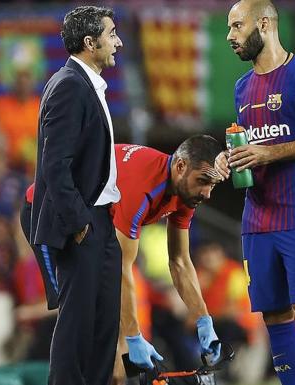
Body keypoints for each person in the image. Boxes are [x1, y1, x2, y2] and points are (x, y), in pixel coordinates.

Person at [221, 1, 295, 384]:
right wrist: (230, 160)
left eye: (237, 26)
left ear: (264, 24)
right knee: (274, 315)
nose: (230, 36)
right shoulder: (242, 87)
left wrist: (268, 151)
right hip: (256, 219)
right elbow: (252, 147)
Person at [29, 6, 123, 385]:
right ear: (90, 42)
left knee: (103, 328)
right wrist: (80, 223)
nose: (118, 41)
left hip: (101, 221)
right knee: (78, 326)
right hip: (83, 223)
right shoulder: (69, 85)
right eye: (111, 33)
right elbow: (55, 165)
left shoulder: (87, 83)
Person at [110, 137, 223, 384]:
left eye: (212, 185)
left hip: (96, 237)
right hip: (51, 217)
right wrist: (132, 336)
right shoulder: (143, 187)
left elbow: (180, 261)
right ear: (180, 166)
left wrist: (203, 320)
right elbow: (119, 266)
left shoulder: (184, 192)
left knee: (119, 351)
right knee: (106, 338)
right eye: (203, 182)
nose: (207, 193)